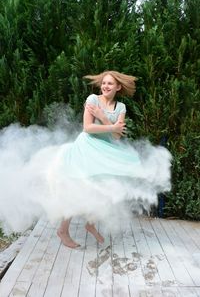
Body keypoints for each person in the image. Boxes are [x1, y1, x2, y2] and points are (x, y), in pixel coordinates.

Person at [55, 70, 172, 248]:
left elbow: (117, 137)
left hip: (107, 150)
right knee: (78, 189)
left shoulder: (121, 108)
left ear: (118, 87)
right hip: (87, 147)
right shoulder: (92, 99)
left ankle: (91, 222)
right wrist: (111, 126)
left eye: (110, 83)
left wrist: (102, 118)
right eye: (103, 83)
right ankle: (63, 230)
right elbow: (87, 128)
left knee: (104, 190)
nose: (105, 86)